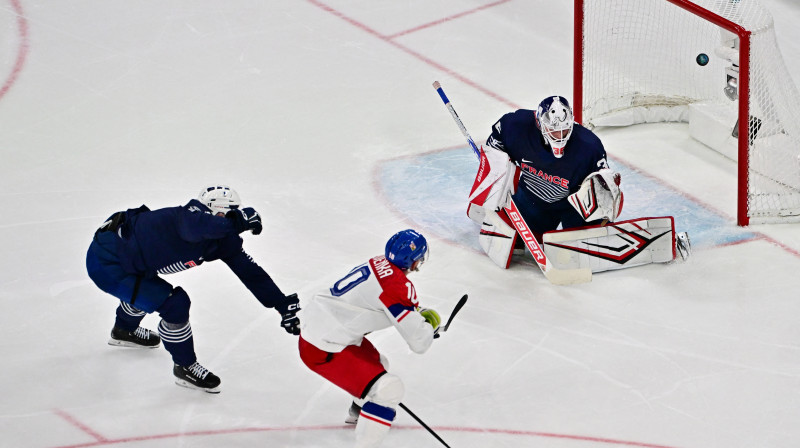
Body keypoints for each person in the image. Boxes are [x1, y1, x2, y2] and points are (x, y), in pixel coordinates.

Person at [85, 185, 301, 393]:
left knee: (150, 292)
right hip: (107, 263)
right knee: (174, 305)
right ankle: (185, 367)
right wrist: (236, 223)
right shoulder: (189, 217)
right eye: (230, 214)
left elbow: (251, 272)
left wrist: (282, 305)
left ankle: (124, 330)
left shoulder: (222, 236)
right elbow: (194, 227)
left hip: (130, 261)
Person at [298, 229, 441, 448]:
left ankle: (360, 410)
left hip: (324, 328)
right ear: (413, 261)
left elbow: (381, 301)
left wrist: (415, 314)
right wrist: (428, 328)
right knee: (389, 389)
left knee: (379, 364)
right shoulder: (396, 287)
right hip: (323, 346)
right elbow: (419, 342)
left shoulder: (379, 262)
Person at [467, 95, 623, 268]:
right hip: (532, 201)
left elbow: (603, 186)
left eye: (564, 129)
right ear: (540, 123)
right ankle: (524, 227)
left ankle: (585, 232)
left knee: (581, 249)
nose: (560, 135)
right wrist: (496, 168)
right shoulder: (518, 126)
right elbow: (497, 138)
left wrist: (607, 190)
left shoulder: (589, 146)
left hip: (571, 206)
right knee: (511, 242)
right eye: (554, 130)